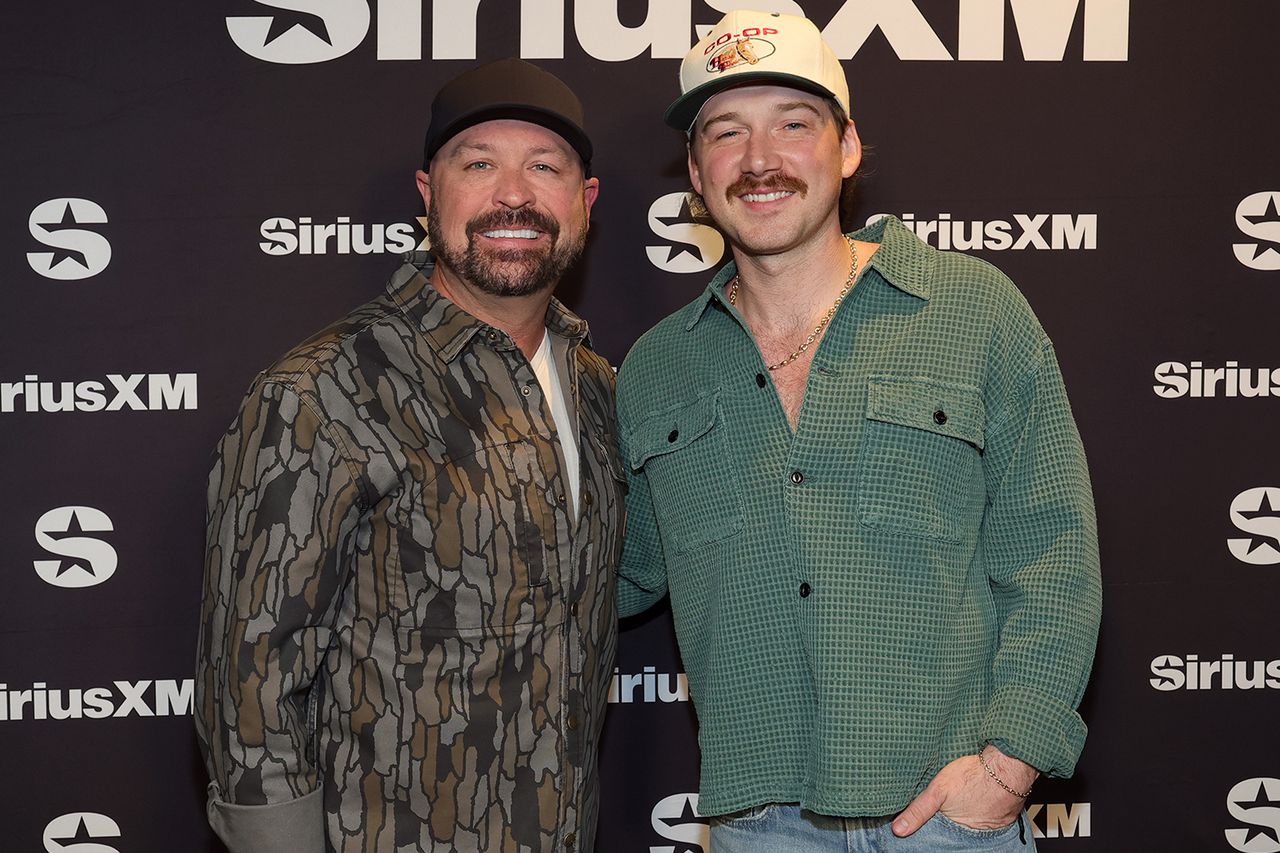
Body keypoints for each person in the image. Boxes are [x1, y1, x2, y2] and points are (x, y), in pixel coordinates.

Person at [616, 10, 1101, 851]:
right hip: (755, 823)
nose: (759, 160)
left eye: (793, 126)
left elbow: (1052, 552)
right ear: (695, 173)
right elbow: (612, 577)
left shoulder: (976, 311)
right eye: (726, 133)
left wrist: (1010, 763)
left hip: (949, 817)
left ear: (846, 148)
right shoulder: (658, 367)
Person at [195, 58, 623, 853]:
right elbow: (250, 671)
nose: (514, 195)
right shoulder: (325, 385)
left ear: (584, 201)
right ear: (429, 195)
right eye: (479, 164)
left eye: (544, 166)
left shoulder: (596, 384)